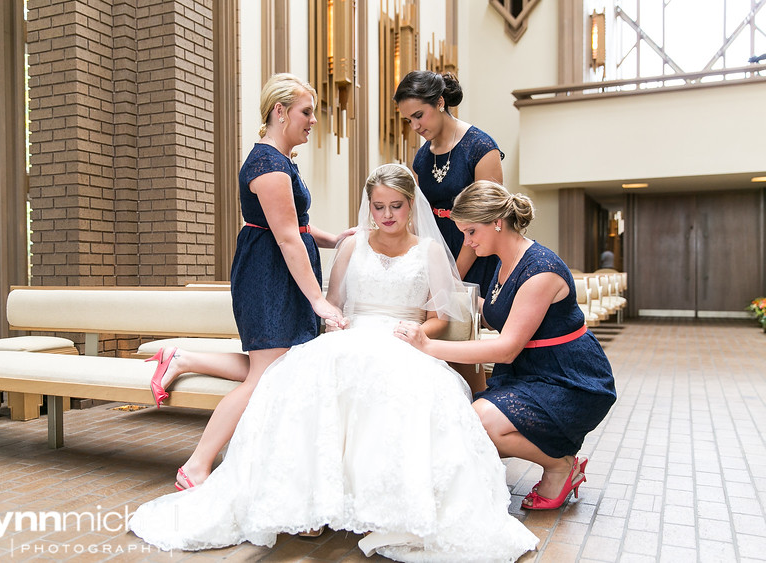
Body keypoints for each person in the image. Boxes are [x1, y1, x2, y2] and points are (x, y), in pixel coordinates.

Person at [129, 164, 539, 561]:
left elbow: (438, 319)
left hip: (404, 342)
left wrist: (418, 337)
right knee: (304, 384)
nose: (387, 215)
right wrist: (338, 327)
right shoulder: (351, 246)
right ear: (369, 206)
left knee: (399, 389)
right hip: (352, 336)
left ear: (411, 205)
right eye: (378, 206)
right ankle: (309, 501)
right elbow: (335, 305)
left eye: (395, 206)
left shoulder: (430, 252)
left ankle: (377, 503)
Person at [147, 73, 353, 490]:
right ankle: (197, 464)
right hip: (269, 278)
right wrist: (319, 301)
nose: (313, 120)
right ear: (280, 111)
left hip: (277, 272)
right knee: (266, 375)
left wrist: (337, 239)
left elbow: (298, 226)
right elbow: (286, 236)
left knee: (271, 365)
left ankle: (183, 359)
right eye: (306, 112)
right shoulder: (267, 164)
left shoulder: (279, 161)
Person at [397, 180, 616, 511]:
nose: (467, 243)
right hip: (528, 372)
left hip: (568, 377)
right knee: (471, 426)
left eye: (471, 233)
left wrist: (428, 346)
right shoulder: (505, 259)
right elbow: (497, 310)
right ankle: (556, 460)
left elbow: (506, 348)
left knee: (480, 423)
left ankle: (560, 466)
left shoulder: (541, 270)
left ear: (497, 222)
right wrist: (443, 299)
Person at [393, 70, 504, 300]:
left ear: (440, 102)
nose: (414, 126)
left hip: (476, 250)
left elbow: (486, 218)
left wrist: (453, 277)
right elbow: (418, 217)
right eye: (408, 120)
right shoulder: (421, 159)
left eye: (418, 115)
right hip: (436, 250)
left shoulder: (481, 148)